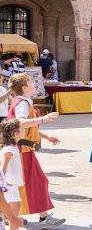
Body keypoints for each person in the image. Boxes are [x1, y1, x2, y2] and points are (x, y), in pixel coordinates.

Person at [7, 73, 65, 228]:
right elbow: (21, 122)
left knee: (23, 183)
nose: (33, 83)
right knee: (36, 182)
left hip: (21, 149)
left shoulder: (23, 101)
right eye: (31, 81)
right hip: (21, 150)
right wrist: (43, 119)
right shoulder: (23, 102)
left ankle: (12, 216)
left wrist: (46, 136)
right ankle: (42, 218)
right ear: (25, 88)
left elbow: (23, 127)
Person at [0, 118, 24, 219]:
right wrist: (2, 183)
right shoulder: (9, 149)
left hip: (12, 184)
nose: (24, 130)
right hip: (9, 184)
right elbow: (3, 167)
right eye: (22, 128)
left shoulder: (13, 147)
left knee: (15, 208)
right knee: (15, 209)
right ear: (15, 133)